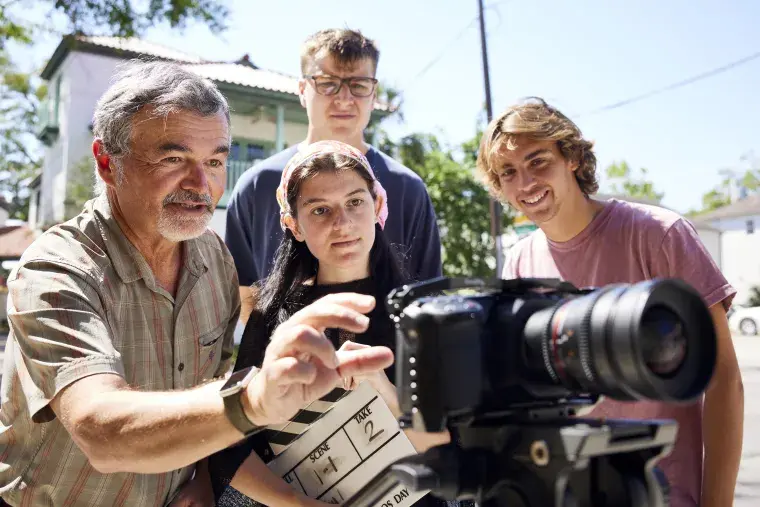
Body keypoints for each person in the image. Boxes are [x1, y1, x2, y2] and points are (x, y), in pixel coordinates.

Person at [0, 61, 393, 507]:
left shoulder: (214, 259)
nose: (201, 184)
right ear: (108, 163)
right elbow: (101, 430)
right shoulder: (56, 269)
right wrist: (252, 400)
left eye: (215, 161)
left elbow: (208, 385)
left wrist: (205, 475)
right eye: (173, 159)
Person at [475, 97, 744, 507]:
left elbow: (724, 379)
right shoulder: (518, 261)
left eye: (538, 161)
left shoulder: (659, 234)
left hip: (664, 493)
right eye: (508, 172)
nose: (525, 182)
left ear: (572, 158)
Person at [208, 141, 451, 507]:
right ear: (294, 225)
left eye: (355, 202)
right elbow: (229, 444)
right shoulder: (270, 316)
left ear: (378, 206)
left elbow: (446, 456)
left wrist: (381, 386)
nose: (342, 223)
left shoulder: (420, 316)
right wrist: (294, 503)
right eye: (320, 210)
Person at [225, 28, 442, 323]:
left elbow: (427, 294)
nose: (343, 98)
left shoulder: (409, 188)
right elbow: (246, 291)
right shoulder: (256, 184)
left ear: (373, 94)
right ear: (303, 90)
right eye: (327, 83)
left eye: (359, 85)